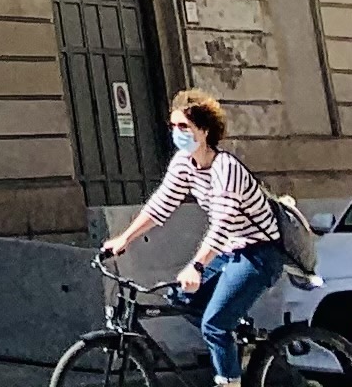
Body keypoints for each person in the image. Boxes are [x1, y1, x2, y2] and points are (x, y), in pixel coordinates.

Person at [100, 86, 286, 383]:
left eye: (184, 126)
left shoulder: (226, 168)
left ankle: (228, 364)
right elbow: (161, 205)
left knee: (214, 324)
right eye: (174, 126)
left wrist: (197, 265)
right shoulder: (183, 164)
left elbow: (222, 224)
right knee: (181, 296)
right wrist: (125, 238)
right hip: (230, 250)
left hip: (260, 252)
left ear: (205, 130)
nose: (177, 133)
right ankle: (234, 339)